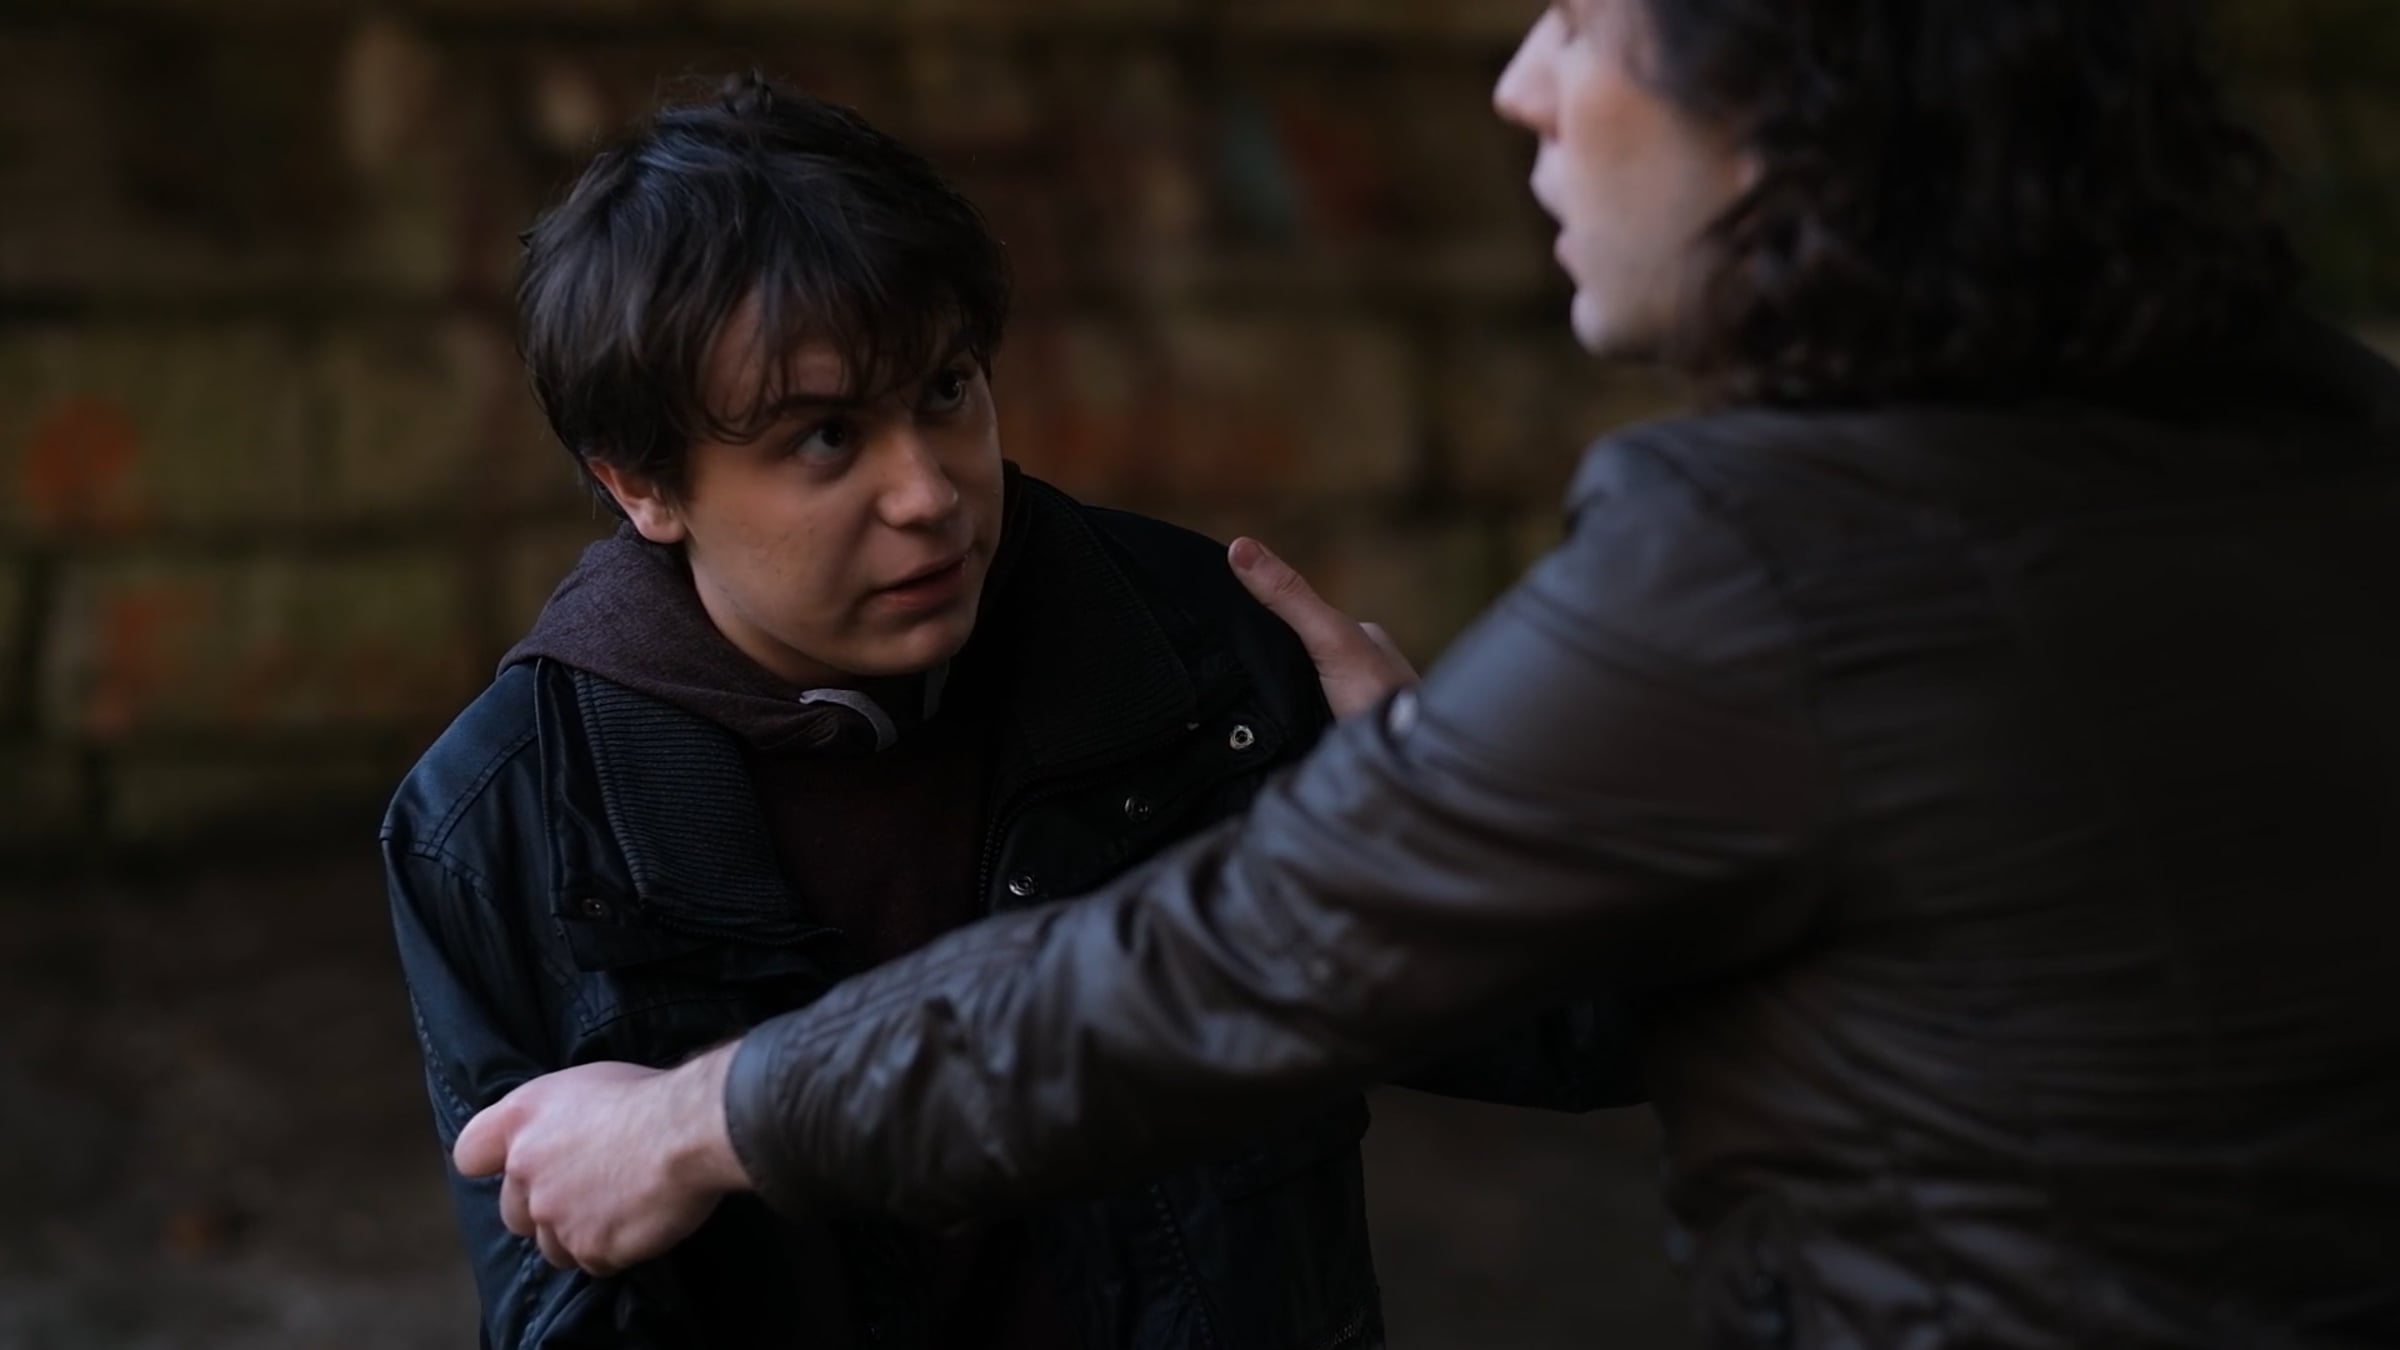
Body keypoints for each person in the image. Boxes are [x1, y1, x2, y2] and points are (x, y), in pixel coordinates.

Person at [456, 2, 2400, 1347]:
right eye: (821, 437)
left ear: (1808, 84)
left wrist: (705, 1116)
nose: (1520, 82)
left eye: (1587, 16)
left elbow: (1204, 975)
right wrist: (1478, 813)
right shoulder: (2328, 434)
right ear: (641, 481)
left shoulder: (1762, 562)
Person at [383, 74, 1608, 1350]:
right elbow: (563, 1304)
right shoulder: (505, 818)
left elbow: (1585, 1041)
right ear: (642, 484)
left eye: (946, 390)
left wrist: (1460, 847)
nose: (928, 492)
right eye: (825, 438)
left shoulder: (1194, 653)